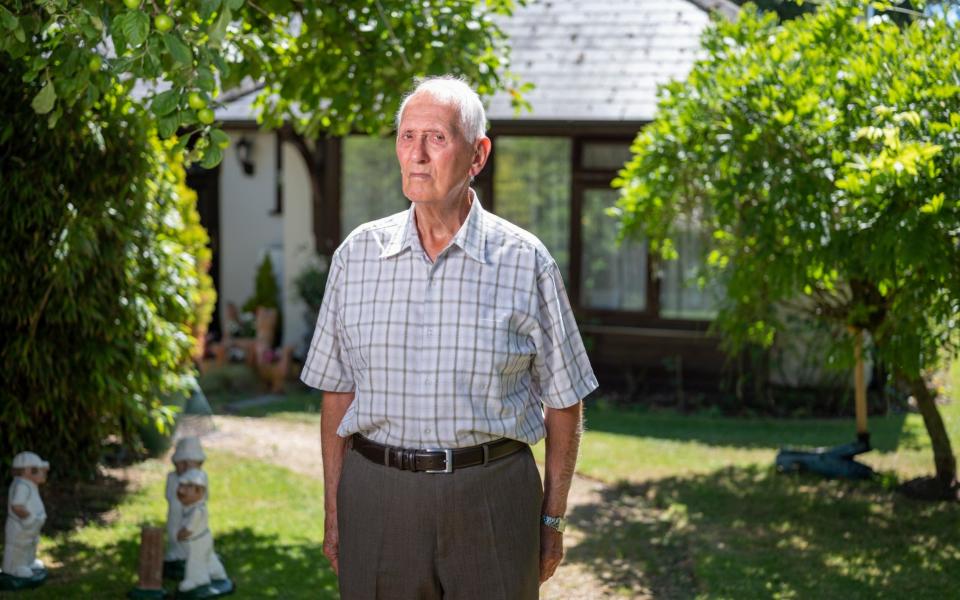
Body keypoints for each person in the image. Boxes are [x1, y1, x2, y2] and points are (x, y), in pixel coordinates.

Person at [301, 76, 598, 599]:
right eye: (405, 136)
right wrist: (334, 510)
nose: (416, 154)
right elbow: (337, 393)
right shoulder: (356, 257)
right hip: (377, 495)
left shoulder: (526, 262)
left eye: (436, 138)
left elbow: (564, 402)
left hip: (491, 498)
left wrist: (551, 522)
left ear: (477, 155)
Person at [175, 468, 227, 593]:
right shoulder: (191, 507)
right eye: (181, 486)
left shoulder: (197, 511)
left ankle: (197, 580)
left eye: (187, 488)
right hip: (202, 539)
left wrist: (181, 534)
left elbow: (189, 529)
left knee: (195, 561)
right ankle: (217, 573)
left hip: (197, 541)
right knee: (208, 557)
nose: (181, 491)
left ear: (200, 492)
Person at [3, 452, 49, 578]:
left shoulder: (29, 485)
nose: (44, 473)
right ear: (28, 471)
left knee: (31, 544)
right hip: (20, 527)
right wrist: (29, 518)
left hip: (30, 527)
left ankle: (29, 562)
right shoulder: (22, 486)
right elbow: (17, 506)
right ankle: (14, 568)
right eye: (39, 470)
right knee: (18, 547)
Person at [165, 437, 206, 563]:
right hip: (176, 509)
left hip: (193, 511)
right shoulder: (172, 477)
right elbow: (169, 494)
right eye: (182, 463)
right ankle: (175, 551)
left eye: (190, 463)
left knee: (193, 531)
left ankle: (193, 554)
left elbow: (203, 496)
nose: (185, 467)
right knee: (174, 529)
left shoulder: (201, 478)